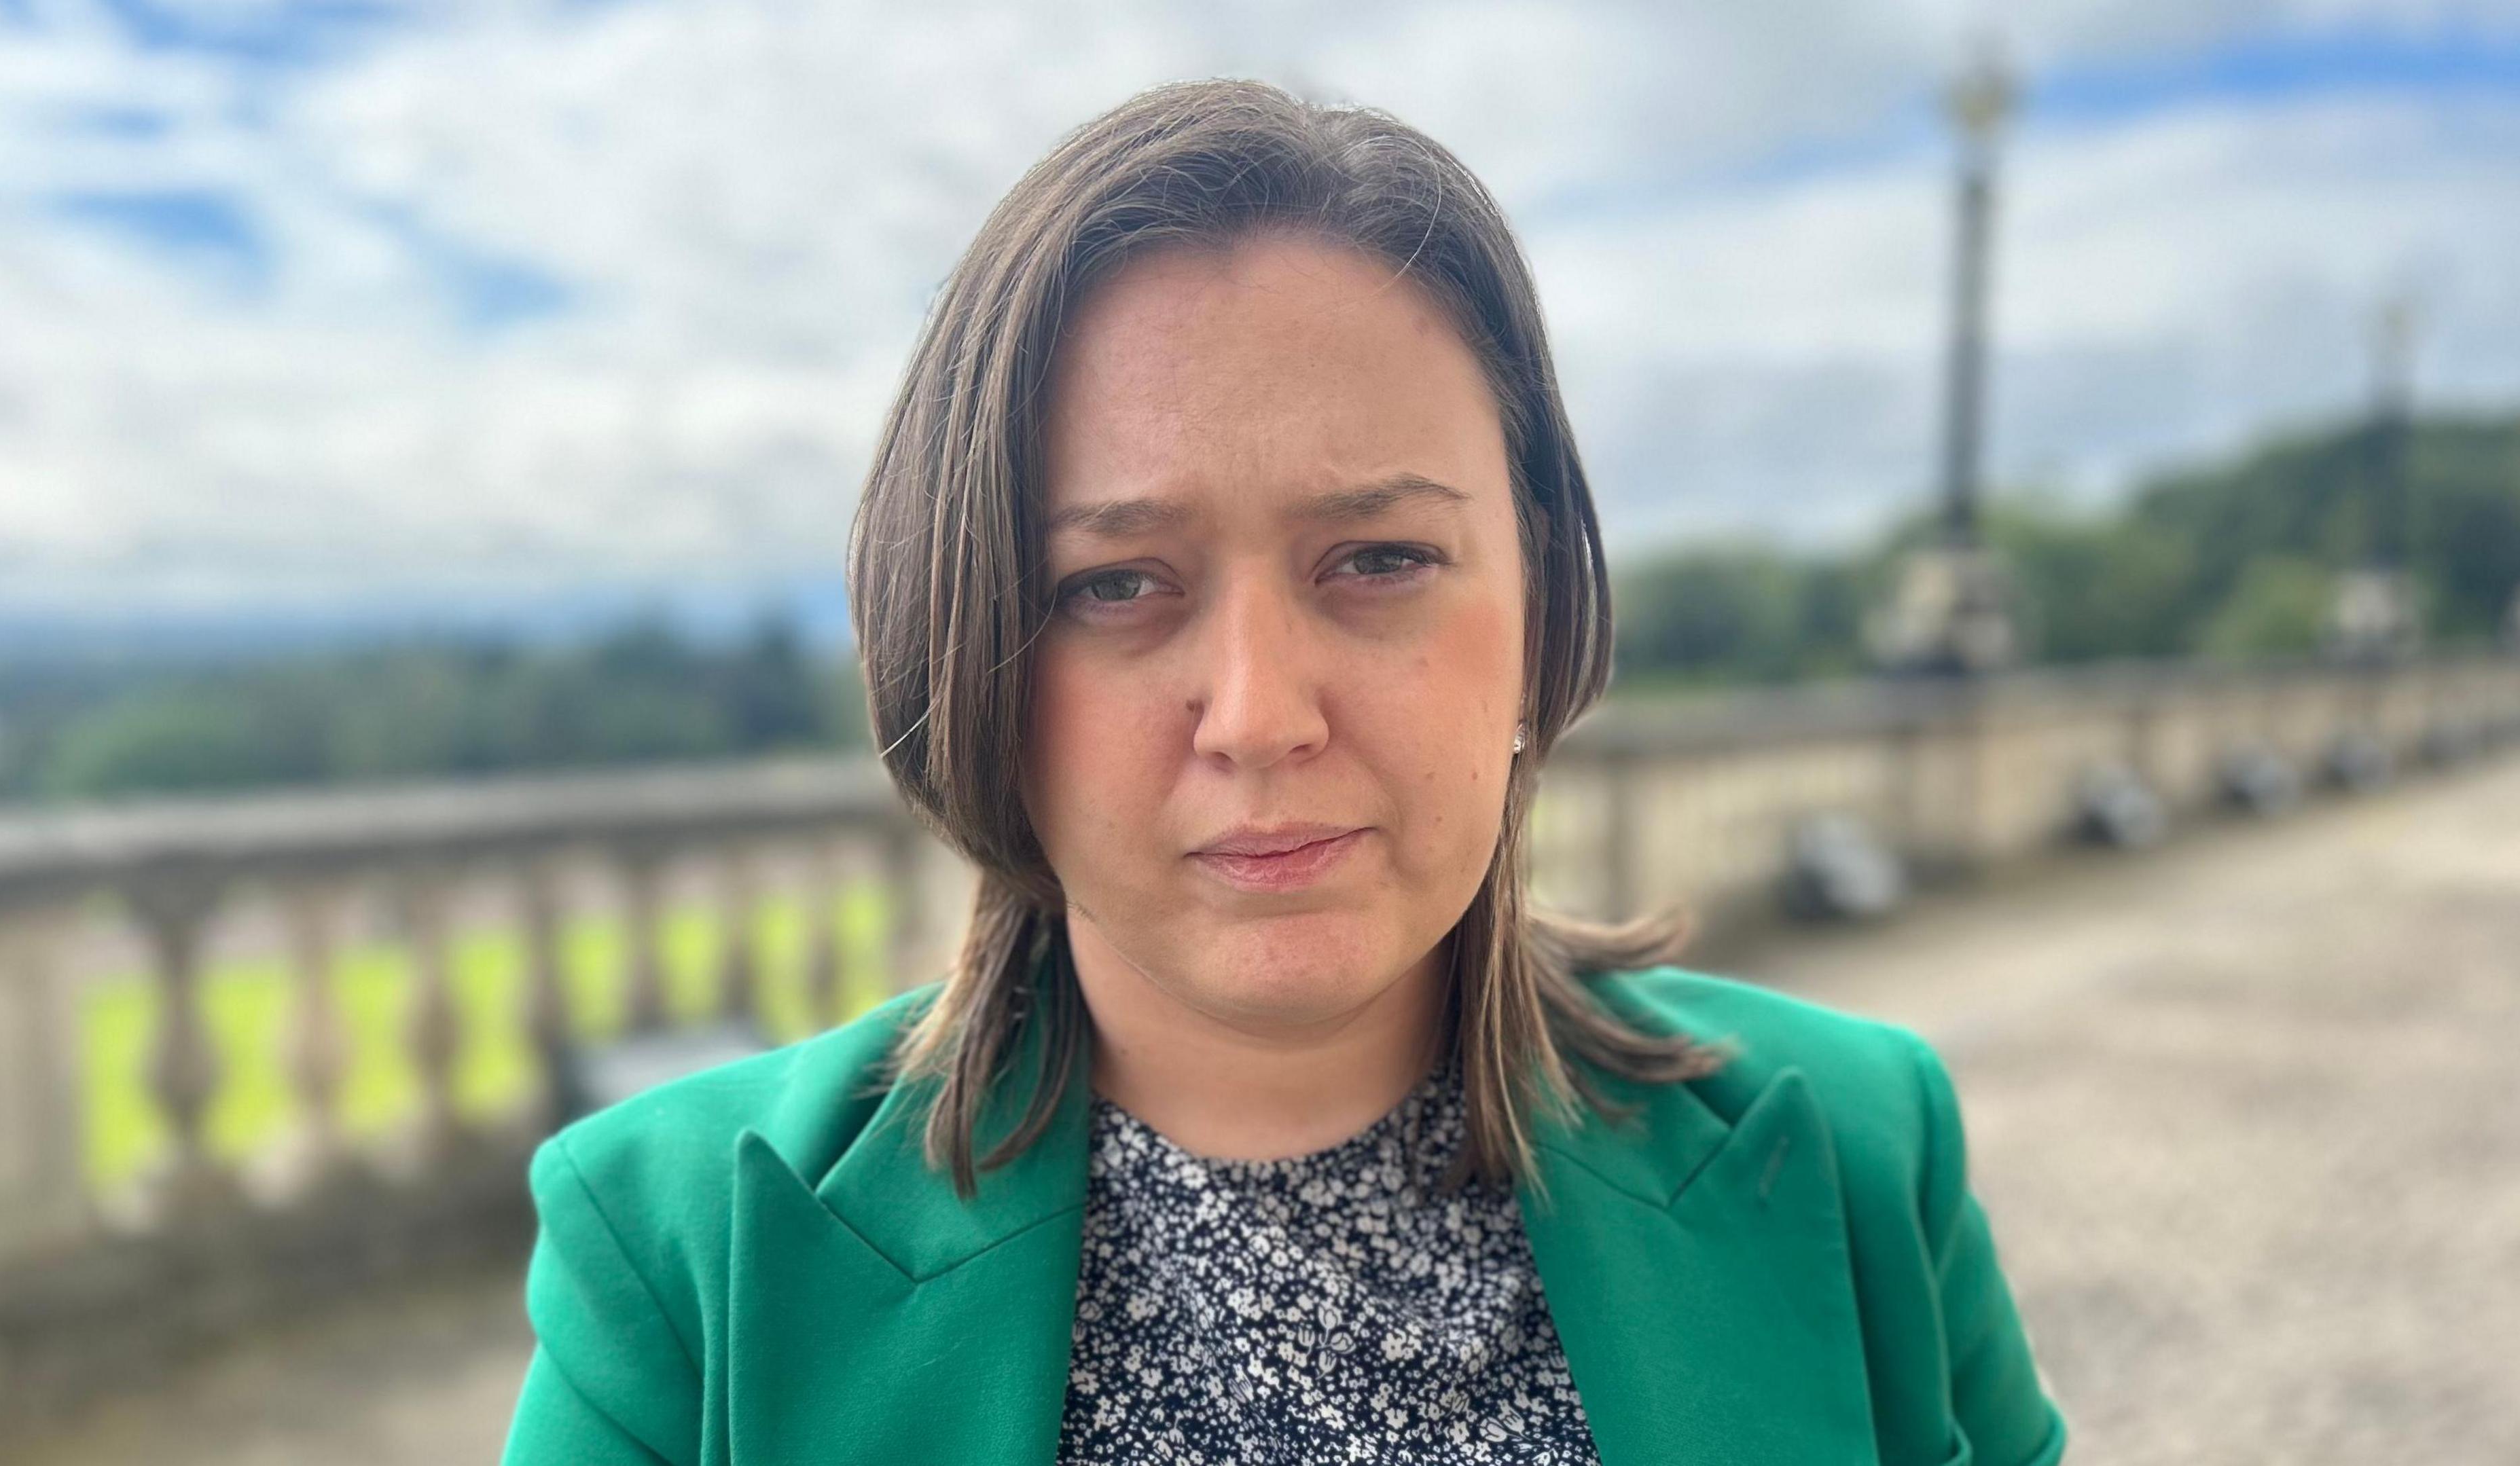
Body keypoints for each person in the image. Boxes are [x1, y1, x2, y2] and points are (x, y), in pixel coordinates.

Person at [498, 77, 2068, 1465]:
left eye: (1379, 557)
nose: (1258, 715)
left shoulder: (1859, 1151)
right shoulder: (683, 1257)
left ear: (1544, 606)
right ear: (968, 647)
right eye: (1117, 582)